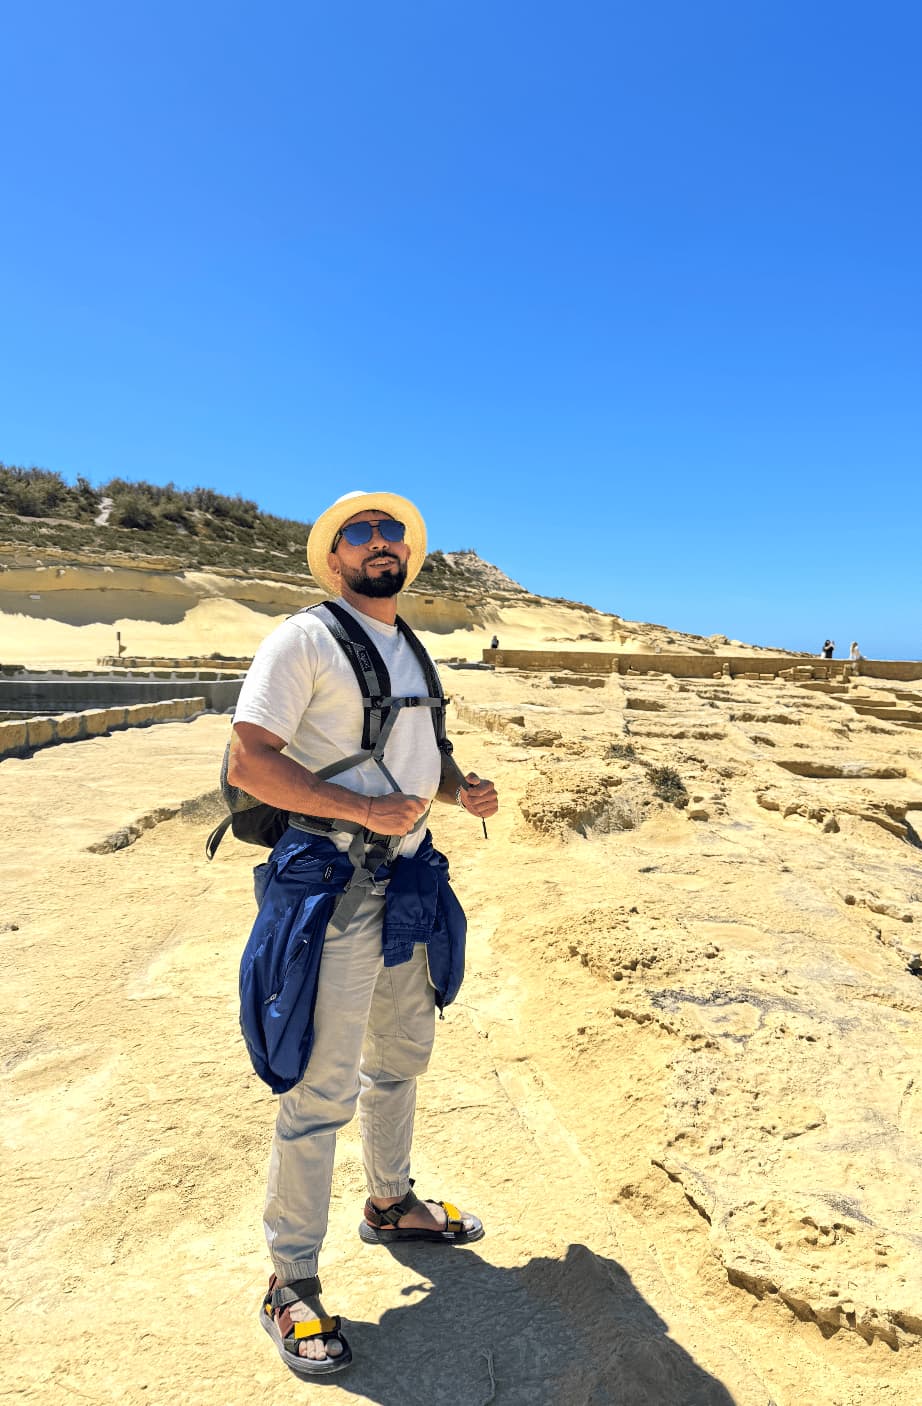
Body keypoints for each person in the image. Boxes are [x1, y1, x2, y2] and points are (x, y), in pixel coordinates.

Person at [228, 490, 499, 1379]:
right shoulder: (302, 639)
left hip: (410, 880)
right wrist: (359, 809)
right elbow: (251, 761)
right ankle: (289, 1281)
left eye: (394, 534)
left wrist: (458, 790)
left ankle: (390, 1203)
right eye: (362, 533)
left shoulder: (410, 643)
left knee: (402, 1056)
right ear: (334, 554)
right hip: (337, 884)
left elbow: (418, 751)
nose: (382, 544)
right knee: (321, 1088)